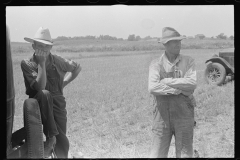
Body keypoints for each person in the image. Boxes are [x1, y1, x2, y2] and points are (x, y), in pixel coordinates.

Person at [21, 27, 81, 158]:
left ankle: (60, 154)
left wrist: (63, 84)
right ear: (33, 46)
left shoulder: (58, 61)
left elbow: (77, 68)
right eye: (40, 46)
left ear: (51, 48)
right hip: (37, 103)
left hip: (58, 103)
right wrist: (41, 64)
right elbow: (39, 87)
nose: (43, 49)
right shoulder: (27, 63)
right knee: (45, 93)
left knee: (62, 139)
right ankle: (50, 138)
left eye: (46, 46)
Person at [148, 27, 197, 158]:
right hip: (161, 117)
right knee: (157, 154)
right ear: (165, 44)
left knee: (185, 154)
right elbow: (152, 88)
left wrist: (166, 81)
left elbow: (192, 83)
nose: (178, 44)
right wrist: (178, 89)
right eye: (174, 41)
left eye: (179, 41)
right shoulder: (156, 64)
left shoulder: (188, 61)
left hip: (184, 115)